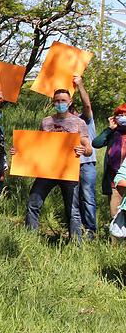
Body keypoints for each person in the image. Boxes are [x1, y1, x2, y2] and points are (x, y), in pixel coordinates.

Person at [13, 88, 93, 241]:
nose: (60, 103)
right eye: (57, 100)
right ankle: (30, 240)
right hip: (46, 172)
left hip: (68, 172)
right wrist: (18, 151)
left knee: (73, 210)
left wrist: (83, 149)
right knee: (33, 203)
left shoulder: (79, 122)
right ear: (53, 102)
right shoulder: (46, 121)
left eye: (63, 100)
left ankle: (76, 244)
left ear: (70, 102)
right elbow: (36, 145)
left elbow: (89, 149)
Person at [69, 76, 98, 238]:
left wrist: (79, 85)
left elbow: (87, 104)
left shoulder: (85, 118)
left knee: (87, 197)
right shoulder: (63, 123)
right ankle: (76, 230)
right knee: (74, 199)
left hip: (87, 164)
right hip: (69, 166)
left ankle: (90, 230)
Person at [92, 103, 126, 219]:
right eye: (119, 115)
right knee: (116, 216)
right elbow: (96, 143)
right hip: (114, 182)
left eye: (125, 114)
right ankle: (115, 237)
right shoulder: (113, 134)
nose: (122, 117)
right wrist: (109, 129)